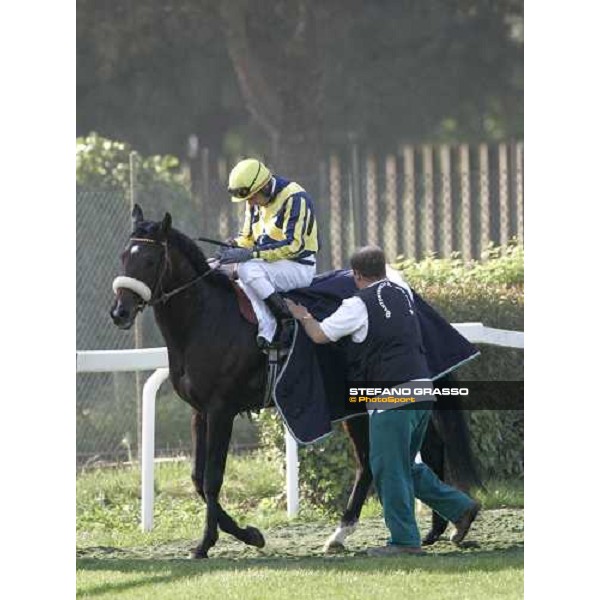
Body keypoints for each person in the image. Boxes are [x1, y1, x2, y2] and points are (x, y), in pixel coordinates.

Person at [286, 245, 480, 556]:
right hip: (422, 389)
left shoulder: (356, 305)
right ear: (385, 269)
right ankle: (460, 508)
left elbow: (320, 335)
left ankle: (404, 542)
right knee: (405, 465)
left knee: (388, 468)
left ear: (355, 275)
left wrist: (303, 314)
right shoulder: (403, 294)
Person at [218, 158, 319, 349]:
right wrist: (232, 245)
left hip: (298, 265)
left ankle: (282, 319)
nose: (250, 202)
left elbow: (294, 245)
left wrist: (251, 254)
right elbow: (248, 237)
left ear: (264, 187)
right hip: (268, 263)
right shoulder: (254, 201)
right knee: (213, 266)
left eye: (252, 197)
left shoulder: (296, 198)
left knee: (247, 269)